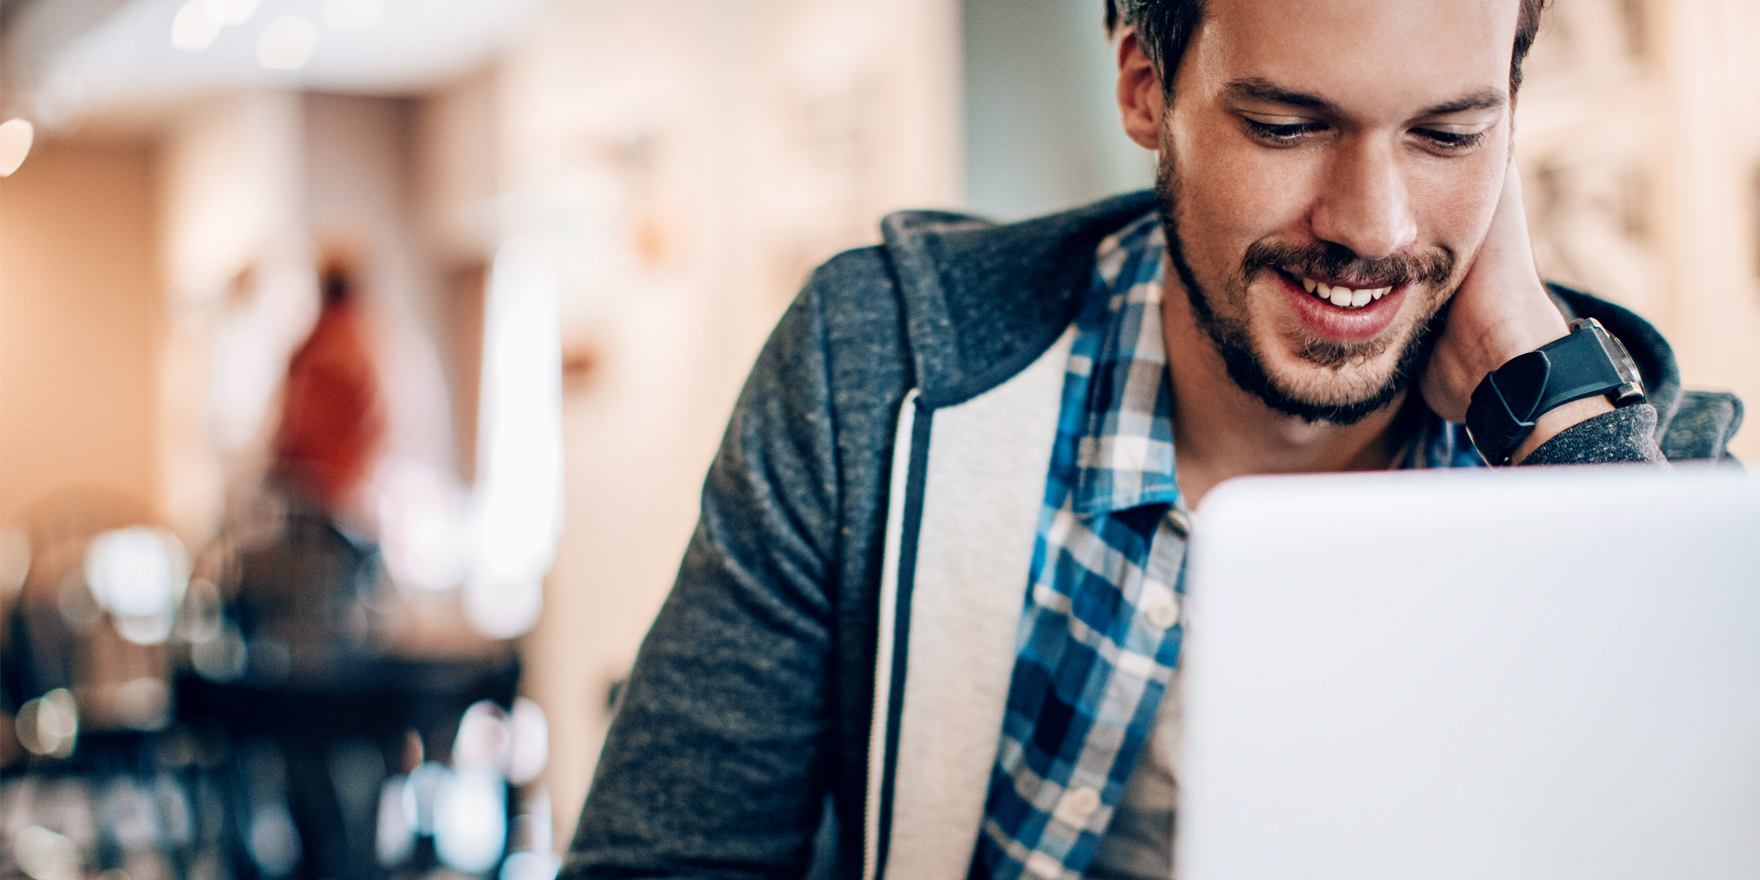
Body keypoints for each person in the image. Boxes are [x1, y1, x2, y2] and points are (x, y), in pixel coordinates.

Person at [563, 0, 1744, 877]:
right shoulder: (874, 372)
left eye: (1446, 135)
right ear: (1143, 86)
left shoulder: (1643, 472)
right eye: (1287, 124)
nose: (1371, 229)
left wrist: (1543, 397)